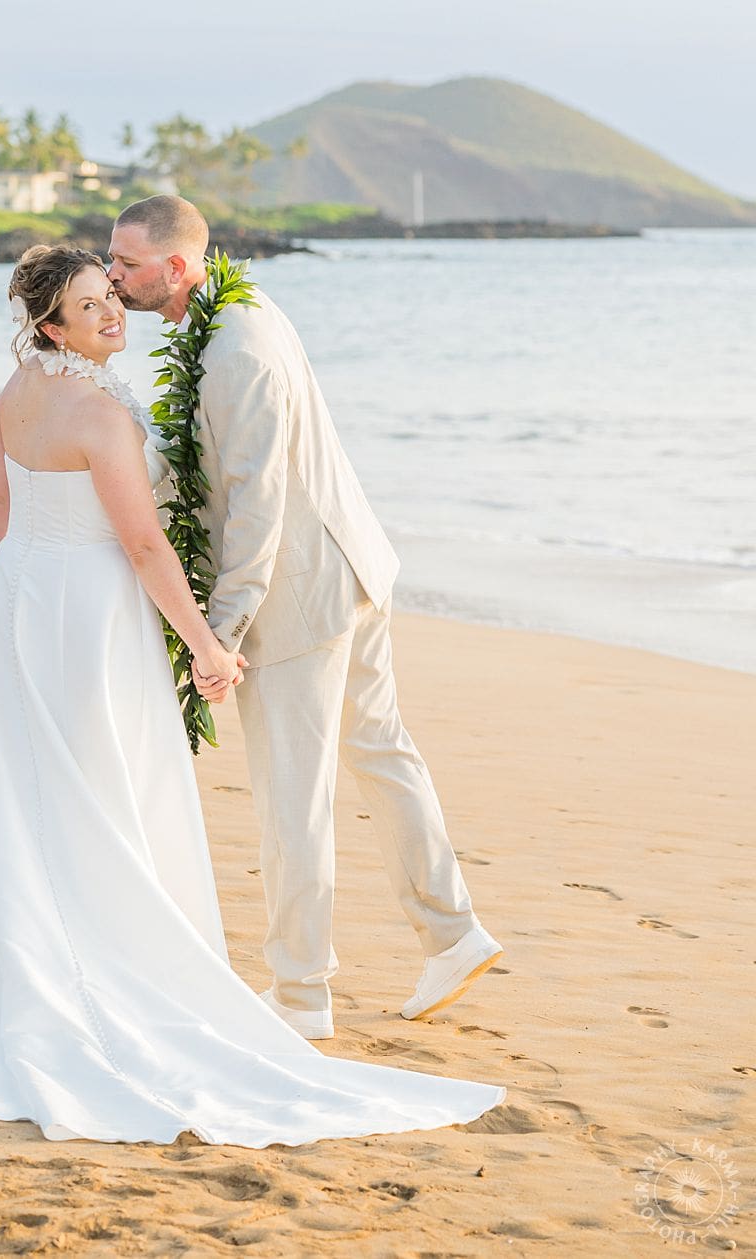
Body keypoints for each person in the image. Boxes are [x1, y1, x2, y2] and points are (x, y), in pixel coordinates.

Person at [0, 243, 504, 1145]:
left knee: (32, 788)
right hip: (86, 616)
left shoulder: (15, 393)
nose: (112, 311)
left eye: (111, 293)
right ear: (52, 328)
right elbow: (143, 545)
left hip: (16, 604)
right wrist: (207, 645)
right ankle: (110, 964)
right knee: (100, 787)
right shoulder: (99, 412)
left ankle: (31, 961)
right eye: (89, 304)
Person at [108, 197, 503, 1039]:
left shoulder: (234, 350)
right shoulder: (236, 313)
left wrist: (221, 633)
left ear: (176, 268)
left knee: (293, 795)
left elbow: (256, 501)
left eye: (127, 263)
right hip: (349, 566)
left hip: (300, 592)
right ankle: (454, 932)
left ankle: (300, 992)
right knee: (381, 753)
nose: (113, 276)